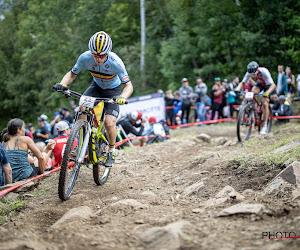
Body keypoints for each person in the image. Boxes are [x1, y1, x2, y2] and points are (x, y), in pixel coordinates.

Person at [53, 31, 133, 167]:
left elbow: (128, 86)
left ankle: (111, 151)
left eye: (101, 56)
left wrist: (122, 97)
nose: (98, 59)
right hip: (96, 87)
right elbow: (72, 74)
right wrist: (63, 84)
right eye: (95, 55)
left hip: (113, 92)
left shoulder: (116, 62)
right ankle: (81, 144)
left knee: (108, 123)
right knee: (81, 107)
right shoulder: (85, 57)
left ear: (107, 53)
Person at [236, 61, 276, 134]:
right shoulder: (249, 72)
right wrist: (237, 89)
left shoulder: (264, 71)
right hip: (260, 84)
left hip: (268, 85)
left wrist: (267, 93)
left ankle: (265, 125)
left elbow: (273, 85)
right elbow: (242, 82)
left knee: (265, 103)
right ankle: (251, 107)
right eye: (251, 75)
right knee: (252, 92)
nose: (253, 76)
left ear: (257, 70)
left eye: (254, 74)